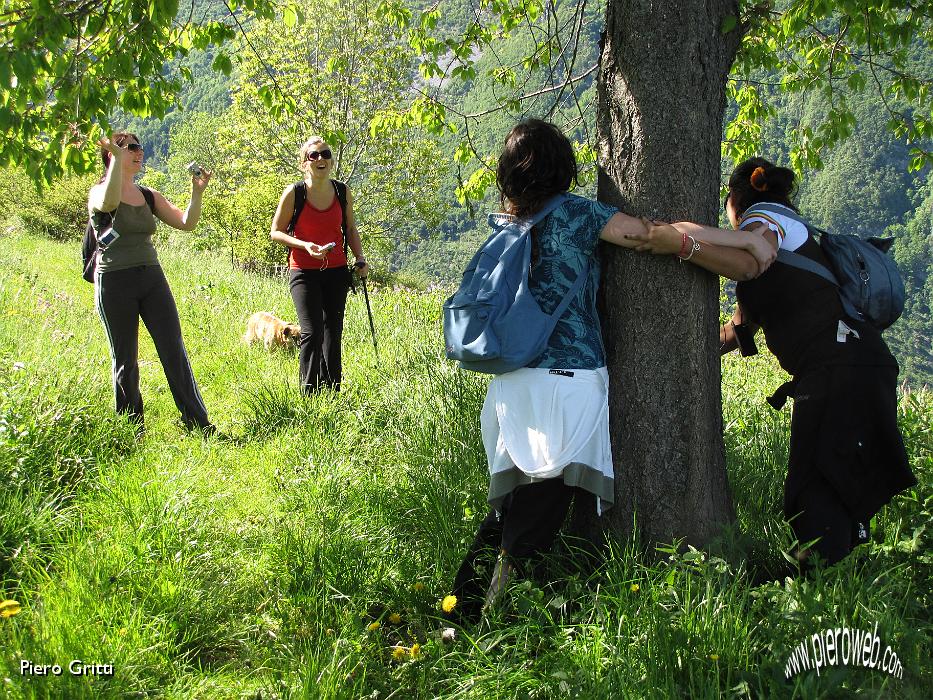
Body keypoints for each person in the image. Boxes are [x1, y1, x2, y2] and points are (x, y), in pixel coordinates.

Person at [445, 120, 777, 625]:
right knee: (540, 507)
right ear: (562, 166)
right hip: (567, 380)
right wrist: (739, 245)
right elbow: (646, 236)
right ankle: (494, 620)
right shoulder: (580, 214)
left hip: (511, 383)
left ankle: (465, 605)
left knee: (515, 503)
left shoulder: (511, 225)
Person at [629, 157, 917, 567]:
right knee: (836, 478)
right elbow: (737, 330)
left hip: (837, 367)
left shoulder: (765, 219)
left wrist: (681, 244)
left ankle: (814, 587)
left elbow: (750, 260)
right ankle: (835, 578)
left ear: (736, 199)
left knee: (814, 485)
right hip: (861, 362)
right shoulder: (794, 239)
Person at [88, 132, 214, 435]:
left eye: (138, 147)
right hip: (114, 281)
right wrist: (117, 160)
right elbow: (107, 204)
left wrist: (197, 193)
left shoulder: (148, 195)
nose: (138, 152)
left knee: (173, 349)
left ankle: (198, 422)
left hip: (151, 277)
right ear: (112, 153)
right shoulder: (99, 191)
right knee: (125, 359)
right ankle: (132, 429)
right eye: (129, 148)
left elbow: (186, 223)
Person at [270, 136, 368, 393]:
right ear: (304, 163)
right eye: (314, 155)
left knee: (333, 333)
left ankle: (332, 391)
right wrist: (305, 246)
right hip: (303, 271)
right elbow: (276, 232)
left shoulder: (342, 191)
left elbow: (350, 228)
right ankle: (310, 394)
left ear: (332, 161)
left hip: (336, 272)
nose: (321, 159)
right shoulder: (294, 193)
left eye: (325, 154)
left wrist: (360, 258)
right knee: (312, 333)